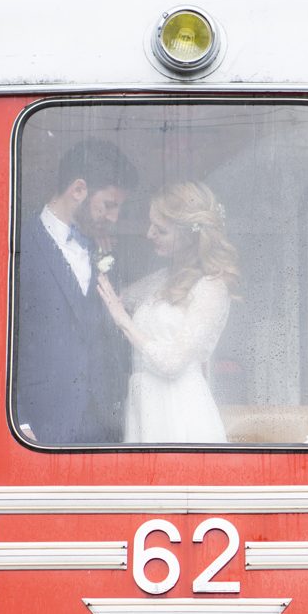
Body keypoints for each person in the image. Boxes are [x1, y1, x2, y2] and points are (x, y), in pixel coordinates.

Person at [97, 181, 240, 442]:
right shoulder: (162, 278)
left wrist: (125, 322)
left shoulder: (211, 287)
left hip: (179, 408)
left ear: (189, 235)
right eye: (151, 224)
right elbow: (115, 298)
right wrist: (101, 250)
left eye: (160, 230)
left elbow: (172, 363)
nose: (149, 233)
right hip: (146, 403)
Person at [15, 139, 138, 443]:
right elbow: (0, 338)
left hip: (102, 427)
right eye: (109, 205)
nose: (114, 218)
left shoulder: (104, 251)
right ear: (78, 190)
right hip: (38, 427)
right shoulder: (19, 245)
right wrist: (18, 419)